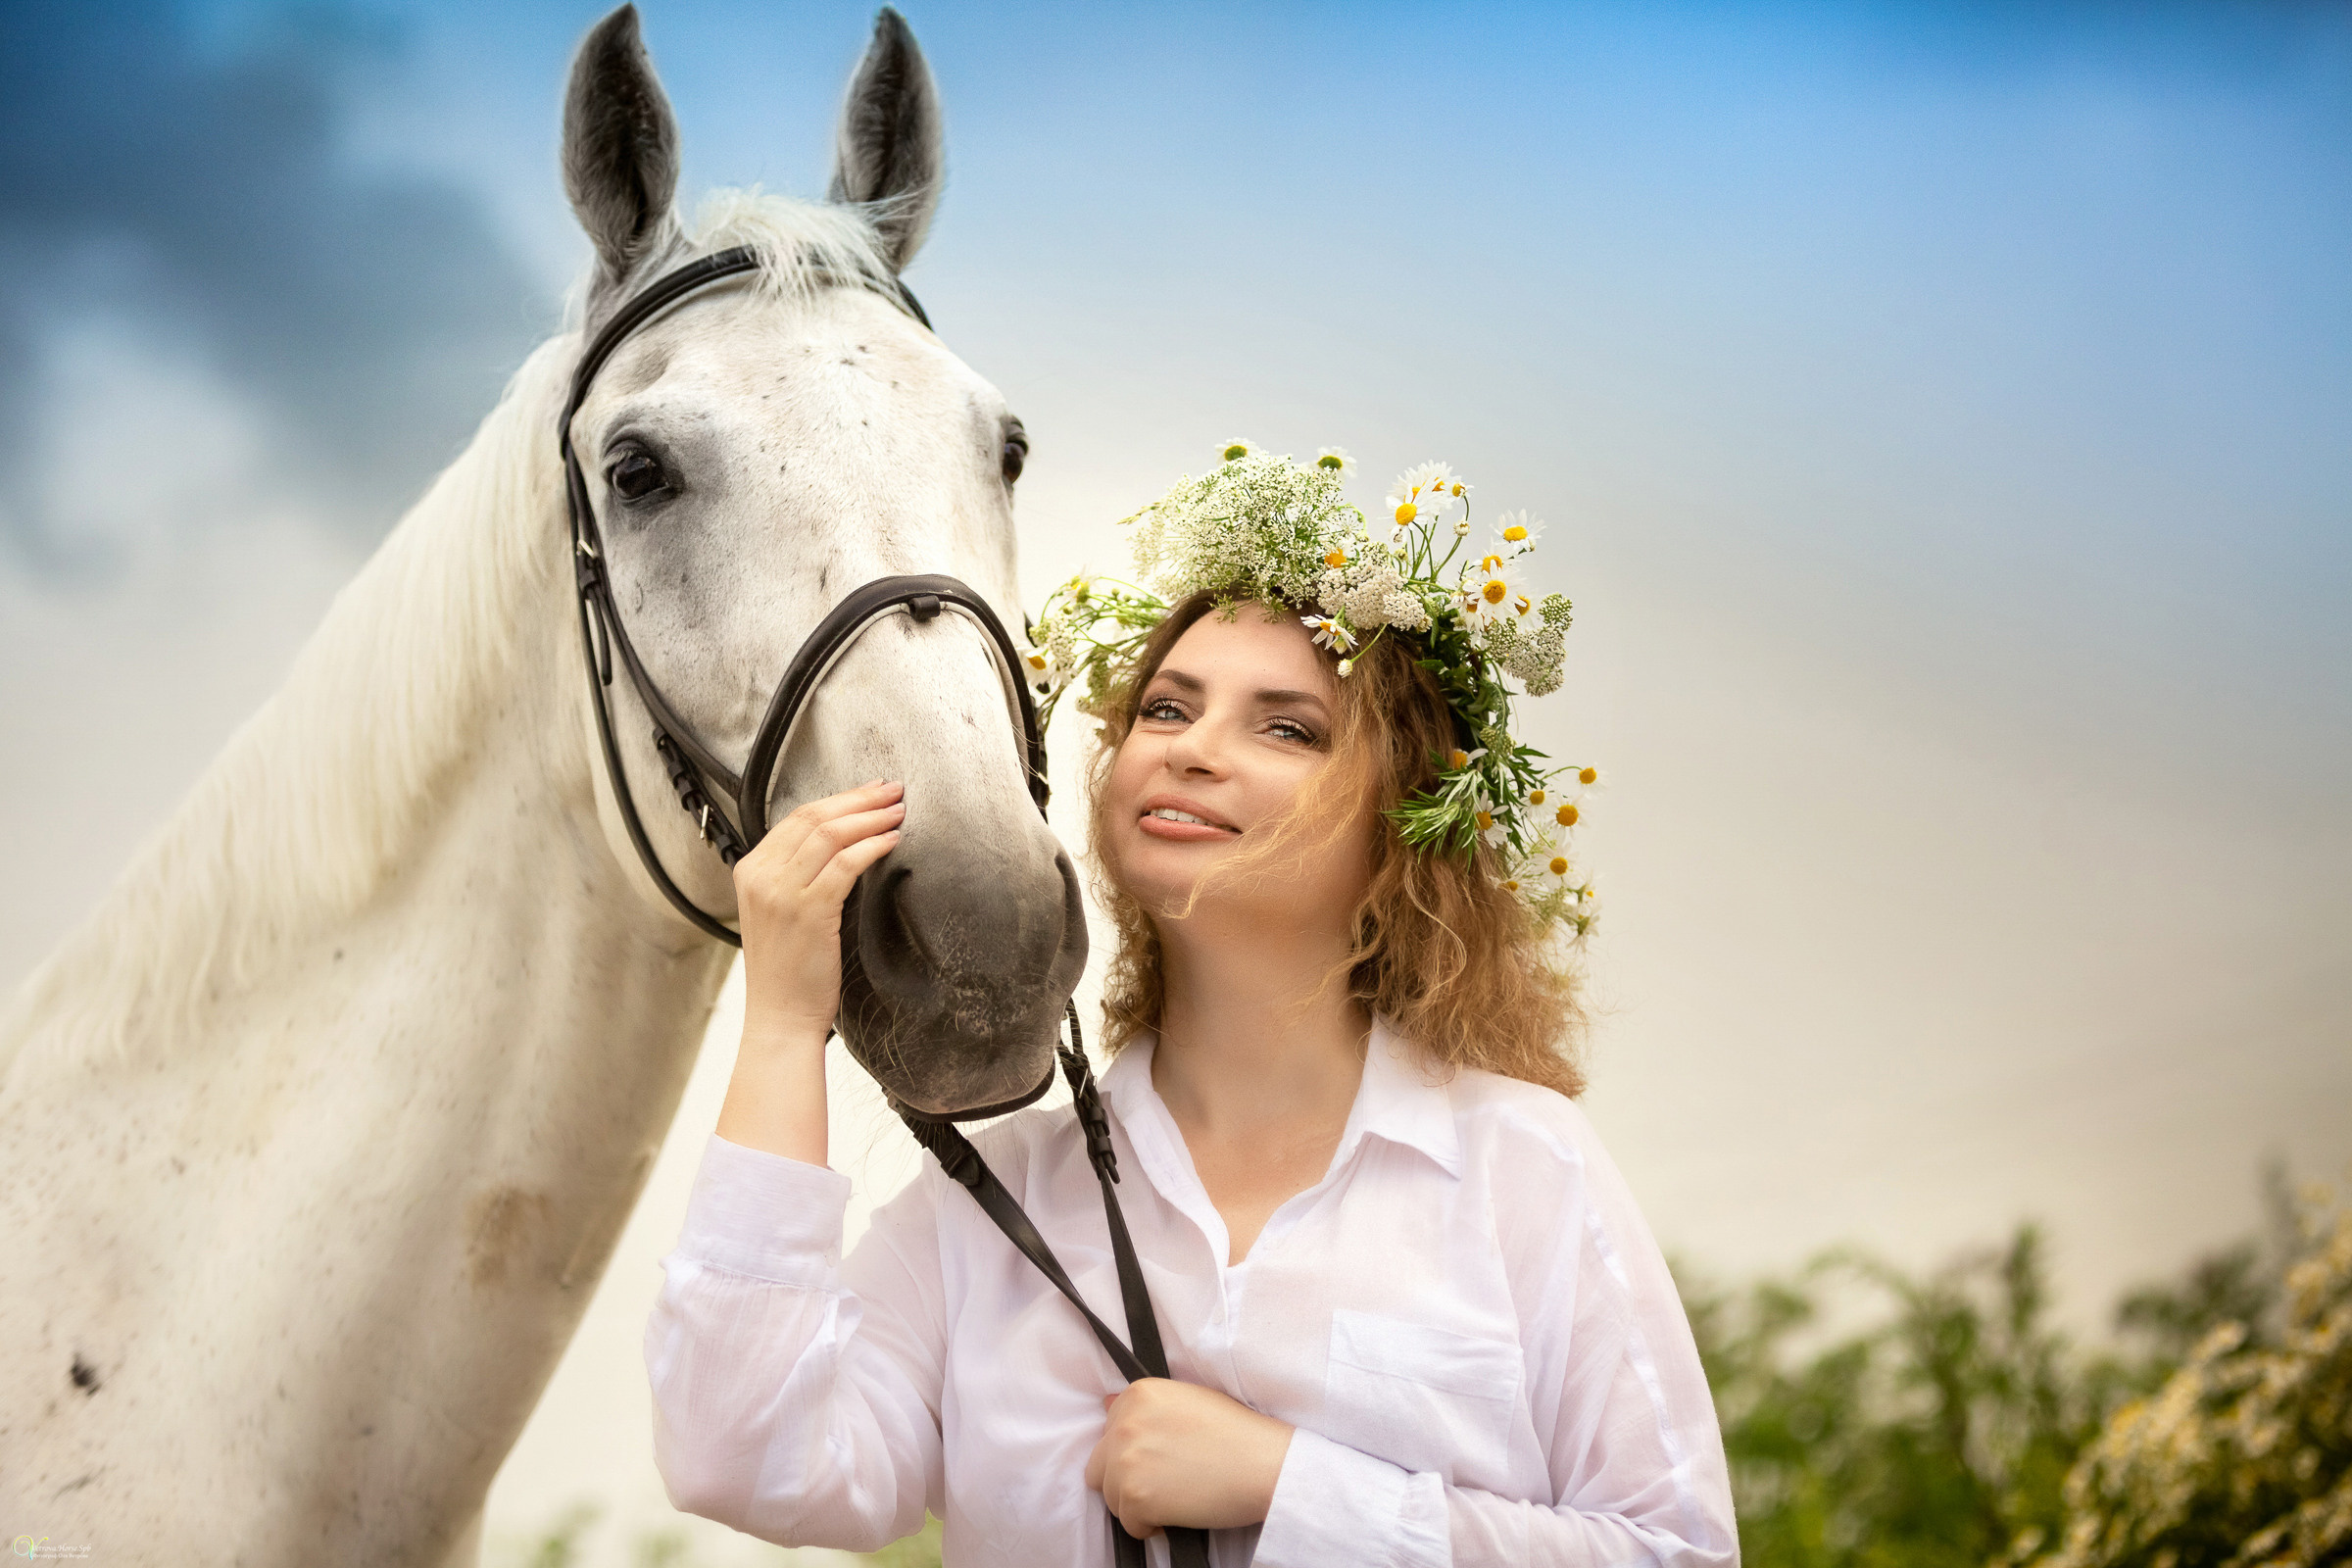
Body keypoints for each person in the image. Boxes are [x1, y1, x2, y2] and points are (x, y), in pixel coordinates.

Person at [645, 448, 1738, 1565]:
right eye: (1166, 709)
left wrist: (1290, 1484)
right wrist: (782, 1028)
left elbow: (1678, 1551)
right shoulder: (983, 1212)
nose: (1192, 750)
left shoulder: (1521, 1166)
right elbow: (744, 1457)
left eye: (1288, 727)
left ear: (1402, 825)